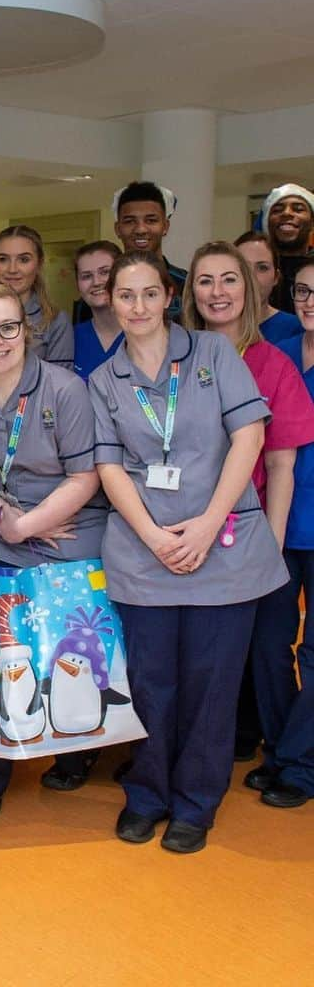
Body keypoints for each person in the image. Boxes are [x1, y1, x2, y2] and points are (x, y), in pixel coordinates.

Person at [89, 250, 287, 853]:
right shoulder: (104, 380)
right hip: (143, 554)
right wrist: (152, 535)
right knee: (150, 683)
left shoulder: (212, 355)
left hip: (221, 549)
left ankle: (196, 806)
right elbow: (107, 465)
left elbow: (249, 437)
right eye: (126, 296)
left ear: (168, 297)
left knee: (212, 685)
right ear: (112, 302)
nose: (139, 307)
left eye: (150, 294)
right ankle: (147, 796)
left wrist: (207, 524)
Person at [0, 281, 106, 817]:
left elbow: (84, 476)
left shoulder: (65, 389)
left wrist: (32, 523)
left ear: (26, 330)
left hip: (67, 527)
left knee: (63, 649)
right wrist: (10, 523)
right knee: (2, 649)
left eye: (7, 327)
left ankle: (72, 751)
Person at [183, 241, 314, 769]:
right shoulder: (175, 357)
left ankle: (277, 751)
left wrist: (272, 544)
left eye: (230, 279)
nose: (219, 292)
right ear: (191, 292)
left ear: (251, 288)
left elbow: (281, 465)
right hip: (180, 527)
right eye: (206, 281)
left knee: (260, 647)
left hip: (245, 531)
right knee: (195, 651)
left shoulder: (272, 363)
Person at [255, 259, 314, 807]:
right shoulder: (281, 356)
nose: (311, 300)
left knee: (313, 650)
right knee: (270, 646)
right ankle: (279, 750)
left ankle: (300, 766)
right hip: (282, 520)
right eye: (304, 291)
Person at [0, 225, 74, 368]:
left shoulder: (55, 321)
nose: (12, 269)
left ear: (39, 264)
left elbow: (60, 384)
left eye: (23, 260)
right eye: (3, 259)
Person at [112, 181, 186, 317]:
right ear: (118, 229)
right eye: (130, 221)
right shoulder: (104, 286)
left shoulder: (187, 284)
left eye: (151, 220)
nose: (141, 229)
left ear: (165, 227)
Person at [235, 230, 302, 345]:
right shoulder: (215, 326)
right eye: (243, 267)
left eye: (262, 268)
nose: (251, 276)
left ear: (276, 277)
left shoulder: (297, 329)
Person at [72, 240, 123, 380]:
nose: (96, 282)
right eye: (86, 276)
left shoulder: (141, 332)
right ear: (77, 285)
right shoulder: (70, 338)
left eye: (105, 272)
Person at [261, 183, 314, 313]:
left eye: (298, 209)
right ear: (266, 223)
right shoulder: (249, 271)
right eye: (277, 210)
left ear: (312, 223)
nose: (287, 213)